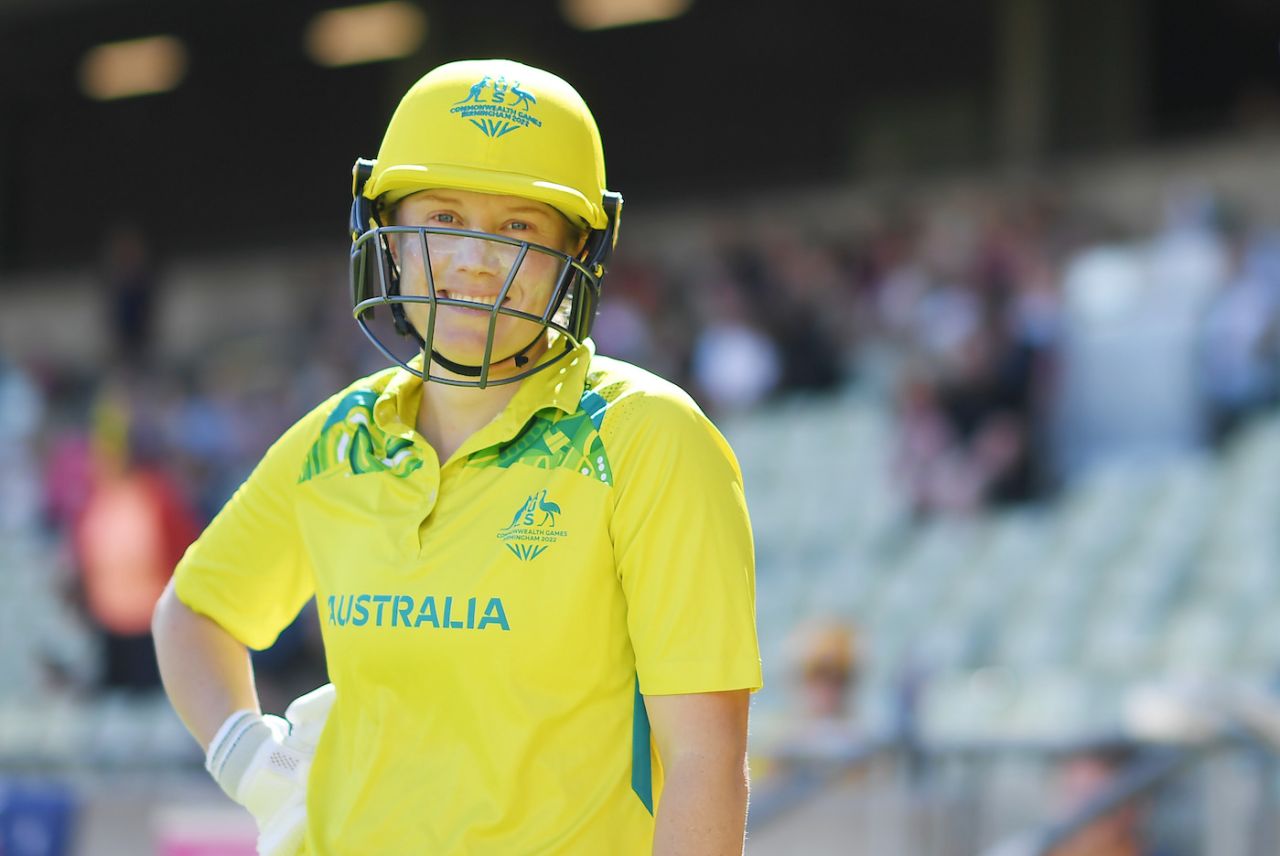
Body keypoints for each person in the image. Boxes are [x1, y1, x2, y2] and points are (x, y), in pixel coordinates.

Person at [152, 59, 762, 856]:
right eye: (441, 217)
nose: (475, 259)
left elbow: (705, 760)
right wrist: (251, 762)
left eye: (519, 229)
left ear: (578, 253)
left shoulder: (649, 437)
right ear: (388, 238)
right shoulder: (339, 439)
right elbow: (193, 613)